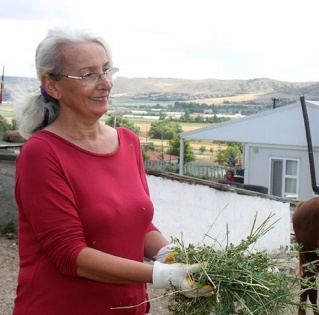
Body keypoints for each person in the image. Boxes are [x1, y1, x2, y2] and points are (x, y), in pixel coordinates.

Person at [13, 27, 211, 315]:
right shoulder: (42, 154)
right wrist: (161, 275)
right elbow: (71, 256)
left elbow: (135, 224)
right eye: (88, 74)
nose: (105, 83)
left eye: (106, 70)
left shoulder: (127, 142)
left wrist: (172, 256)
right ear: (53, 86)